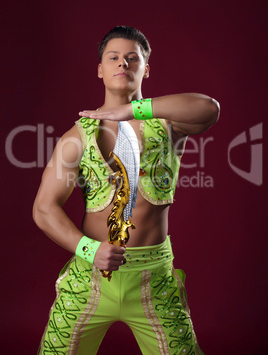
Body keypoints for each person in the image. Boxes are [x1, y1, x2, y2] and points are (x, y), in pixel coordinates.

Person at [33, 25, 220, 354]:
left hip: (154, 278)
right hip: (89, 277)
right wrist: (90, 251)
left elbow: (209, 109)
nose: (123, 64)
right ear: (101, 70)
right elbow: (44, 209)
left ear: (145, 69)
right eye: (114, 57)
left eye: (133, 58)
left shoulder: (167, 125)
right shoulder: (76, 138)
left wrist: (134, 110)